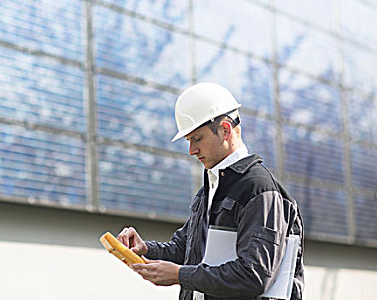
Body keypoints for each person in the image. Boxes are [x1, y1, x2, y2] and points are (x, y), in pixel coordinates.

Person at [117, 82, 304, 300]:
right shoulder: (210, 190)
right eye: (189, 141)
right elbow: (185, 250)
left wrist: (180, 275)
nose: (191, 150)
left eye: (197, 138)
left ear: (225, 130)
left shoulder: (259, 190)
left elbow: (253, 275)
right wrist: (145, 249)